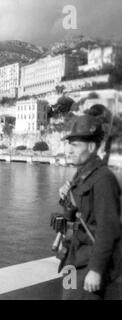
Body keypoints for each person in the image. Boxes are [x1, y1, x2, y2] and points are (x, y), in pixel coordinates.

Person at [54, 114, 122, 300]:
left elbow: (108, 229)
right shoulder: (81, 176)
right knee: (67, 296)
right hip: (71, 259)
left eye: (75, 145)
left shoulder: (103, 179)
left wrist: (96, 269)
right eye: (69, 145)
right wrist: (67, 193)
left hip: (87, 264)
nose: (69, 150)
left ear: (91, 147)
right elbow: (77, 213)